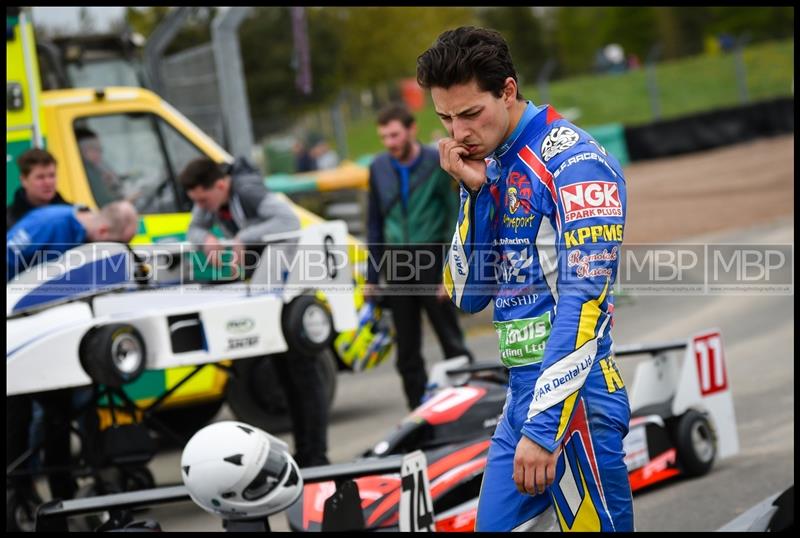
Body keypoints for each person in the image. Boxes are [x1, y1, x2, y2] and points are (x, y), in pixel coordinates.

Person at [417, 26, 632, 531]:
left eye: (470, 114)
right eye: (445, 118)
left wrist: (543, 430)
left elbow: (585, 302)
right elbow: (469, 295)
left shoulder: (574, 163)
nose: (458, 133)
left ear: (508, 91)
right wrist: (474, 195)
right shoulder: (495, 164)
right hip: (521, 394)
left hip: (574, 400)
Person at [178, 156, 330, 467]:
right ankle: (305, 453)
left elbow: (288, 221)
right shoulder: (209, 197)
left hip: (290, 293)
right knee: (284, 377)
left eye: (205, 200)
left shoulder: (247, 191)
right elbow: (194, 228)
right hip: (264, 293)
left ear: (221, 185)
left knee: (304, 377)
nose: (203, 208)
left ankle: (316, 454)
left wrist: (239, 239)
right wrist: (206, 238)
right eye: (197, 201)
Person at [6, 201, 139, 528]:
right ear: (105, 232)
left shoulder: (82, 236)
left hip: (54, 344)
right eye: (120, 245)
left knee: (60, 419)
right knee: (18, 421)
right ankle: (19, 496)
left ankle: (60, 500)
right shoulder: (50, 224)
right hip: (17, 341)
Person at [365, 103, 473, 411]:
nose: (390, 143)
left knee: (450, 340)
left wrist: (450, 271)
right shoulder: (378, 168)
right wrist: (373, 277)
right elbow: (374, 223)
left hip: (432, 258)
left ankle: (466, 404)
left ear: (411, 130)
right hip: (396, 262)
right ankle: (418, 412)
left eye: (395, 135)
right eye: (384, 137)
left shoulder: (434, 163)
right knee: (407, 350)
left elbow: (455, 216)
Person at [7, 148, 70, 229]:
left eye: (52, 176)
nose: (48, 183)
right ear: (23, 180)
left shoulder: (72, 214)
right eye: (40, 177)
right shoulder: (9, 221)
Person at [76, 126, 125, 207]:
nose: (99, 153)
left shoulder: (97, 169)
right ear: (80, 150)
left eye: (100, 149)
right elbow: (108, 204)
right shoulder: (87, 171)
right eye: (93, 148)